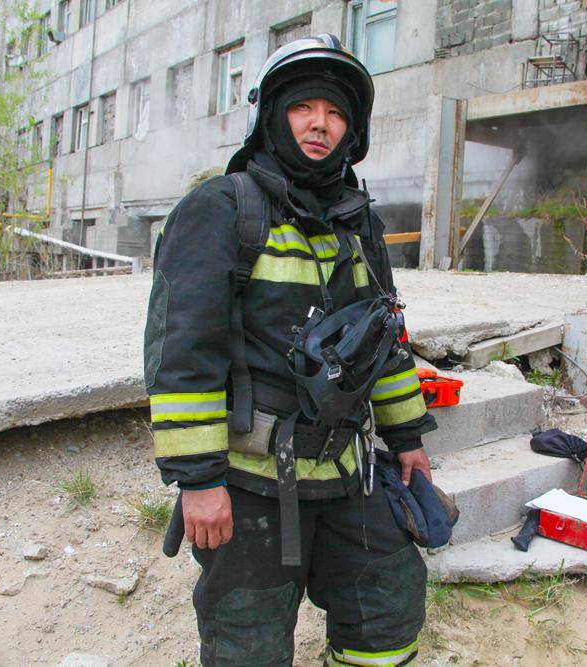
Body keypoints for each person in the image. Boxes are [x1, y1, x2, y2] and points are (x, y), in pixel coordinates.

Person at [143, 35, 437, 666]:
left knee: (388, 609)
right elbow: (183, 353)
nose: (320, 124)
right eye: (304, 107)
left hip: (347, 470)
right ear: (273, 116)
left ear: (352, 131)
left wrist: (407, 436)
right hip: (249, 482)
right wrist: (199, 480)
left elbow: (383, 341)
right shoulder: (221, 209)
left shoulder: (359, 224)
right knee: (247, 639)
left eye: (335, 113)